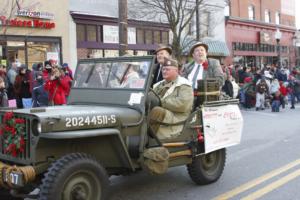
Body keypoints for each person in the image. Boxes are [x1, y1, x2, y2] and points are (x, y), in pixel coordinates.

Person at [149, 57, 193, 140]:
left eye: (167, 69)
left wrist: (161, 102)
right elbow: (150, 97)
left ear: (176, 71)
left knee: (157, 110)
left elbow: (183, 105)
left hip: (176, 118)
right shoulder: (159, 85)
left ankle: (147, 137)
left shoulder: (184, 85)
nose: (164, 71)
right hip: (162, 117)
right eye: (163, 69)